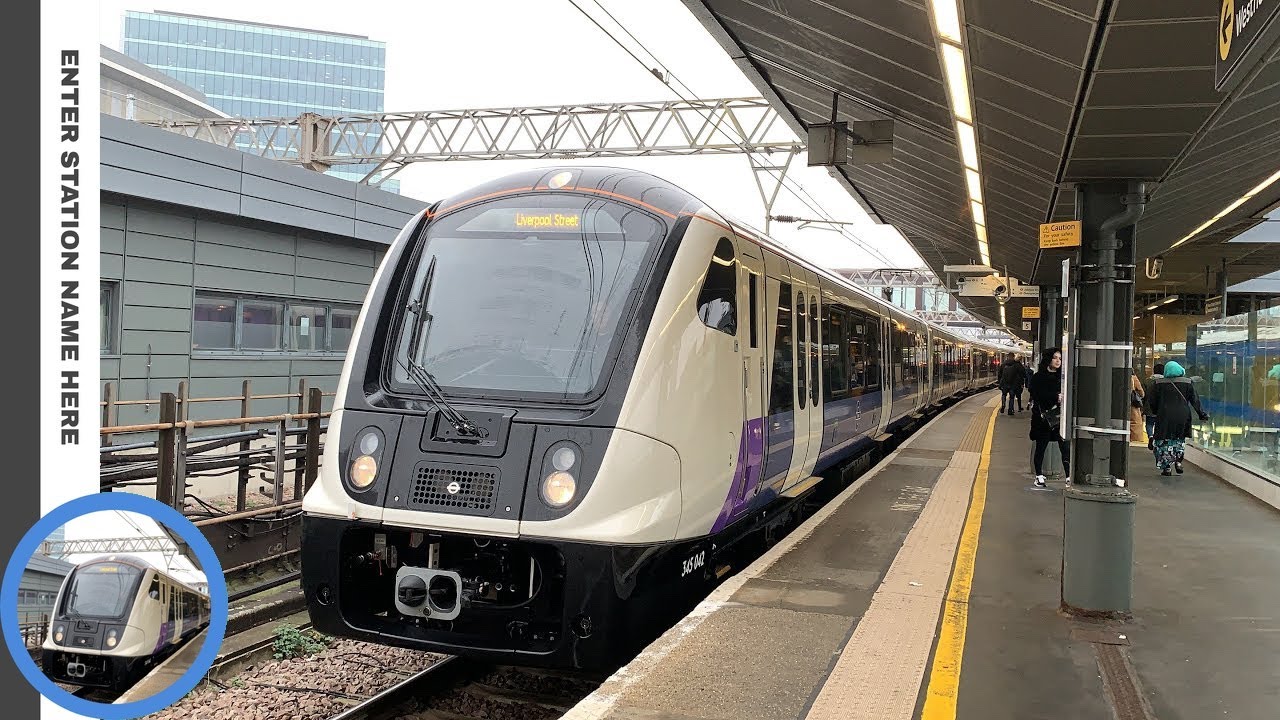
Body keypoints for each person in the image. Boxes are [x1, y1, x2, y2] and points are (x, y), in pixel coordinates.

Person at [1148, 360, 1208, 476]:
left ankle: (1167, 467)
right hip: (1182, 415)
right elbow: (1195, 401)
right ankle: (1178, 462)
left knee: (1164, 441)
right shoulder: (1188, 382)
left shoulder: (1158, 384)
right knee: (1179, 439)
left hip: (1164, 415)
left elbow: (1152, 401)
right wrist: (1202, 414)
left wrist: (1156, 411)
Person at [1028, 348, 1069, 487]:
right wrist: (1055, 397)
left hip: (1059, 418)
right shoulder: (1038, 377)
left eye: (1060, 358)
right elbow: (1035, 394)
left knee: (1064, 447)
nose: (1058, 361)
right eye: (1055, 358)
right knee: (1041, 446)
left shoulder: (1063, 377)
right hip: (1043, 419)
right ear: (1048, 359)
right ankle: (1039, 475)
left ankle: (1069, 476)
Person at [1142, 362, 1165, 452]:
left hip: (1149, 406)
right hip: (1161, 407)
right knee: (1160, 424)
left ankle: (1150, 437)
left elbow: (1143, 394)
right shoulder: (1165, 382)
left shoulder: (1147, 381)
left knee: (1149, 423)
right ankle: (1158, 440)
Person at [1129, 368, 1146, 444]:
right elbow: (1141, 392)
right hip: (1133, 404)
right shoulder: (1133, 378)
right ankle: (1134, 438)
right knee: (1134, 421)